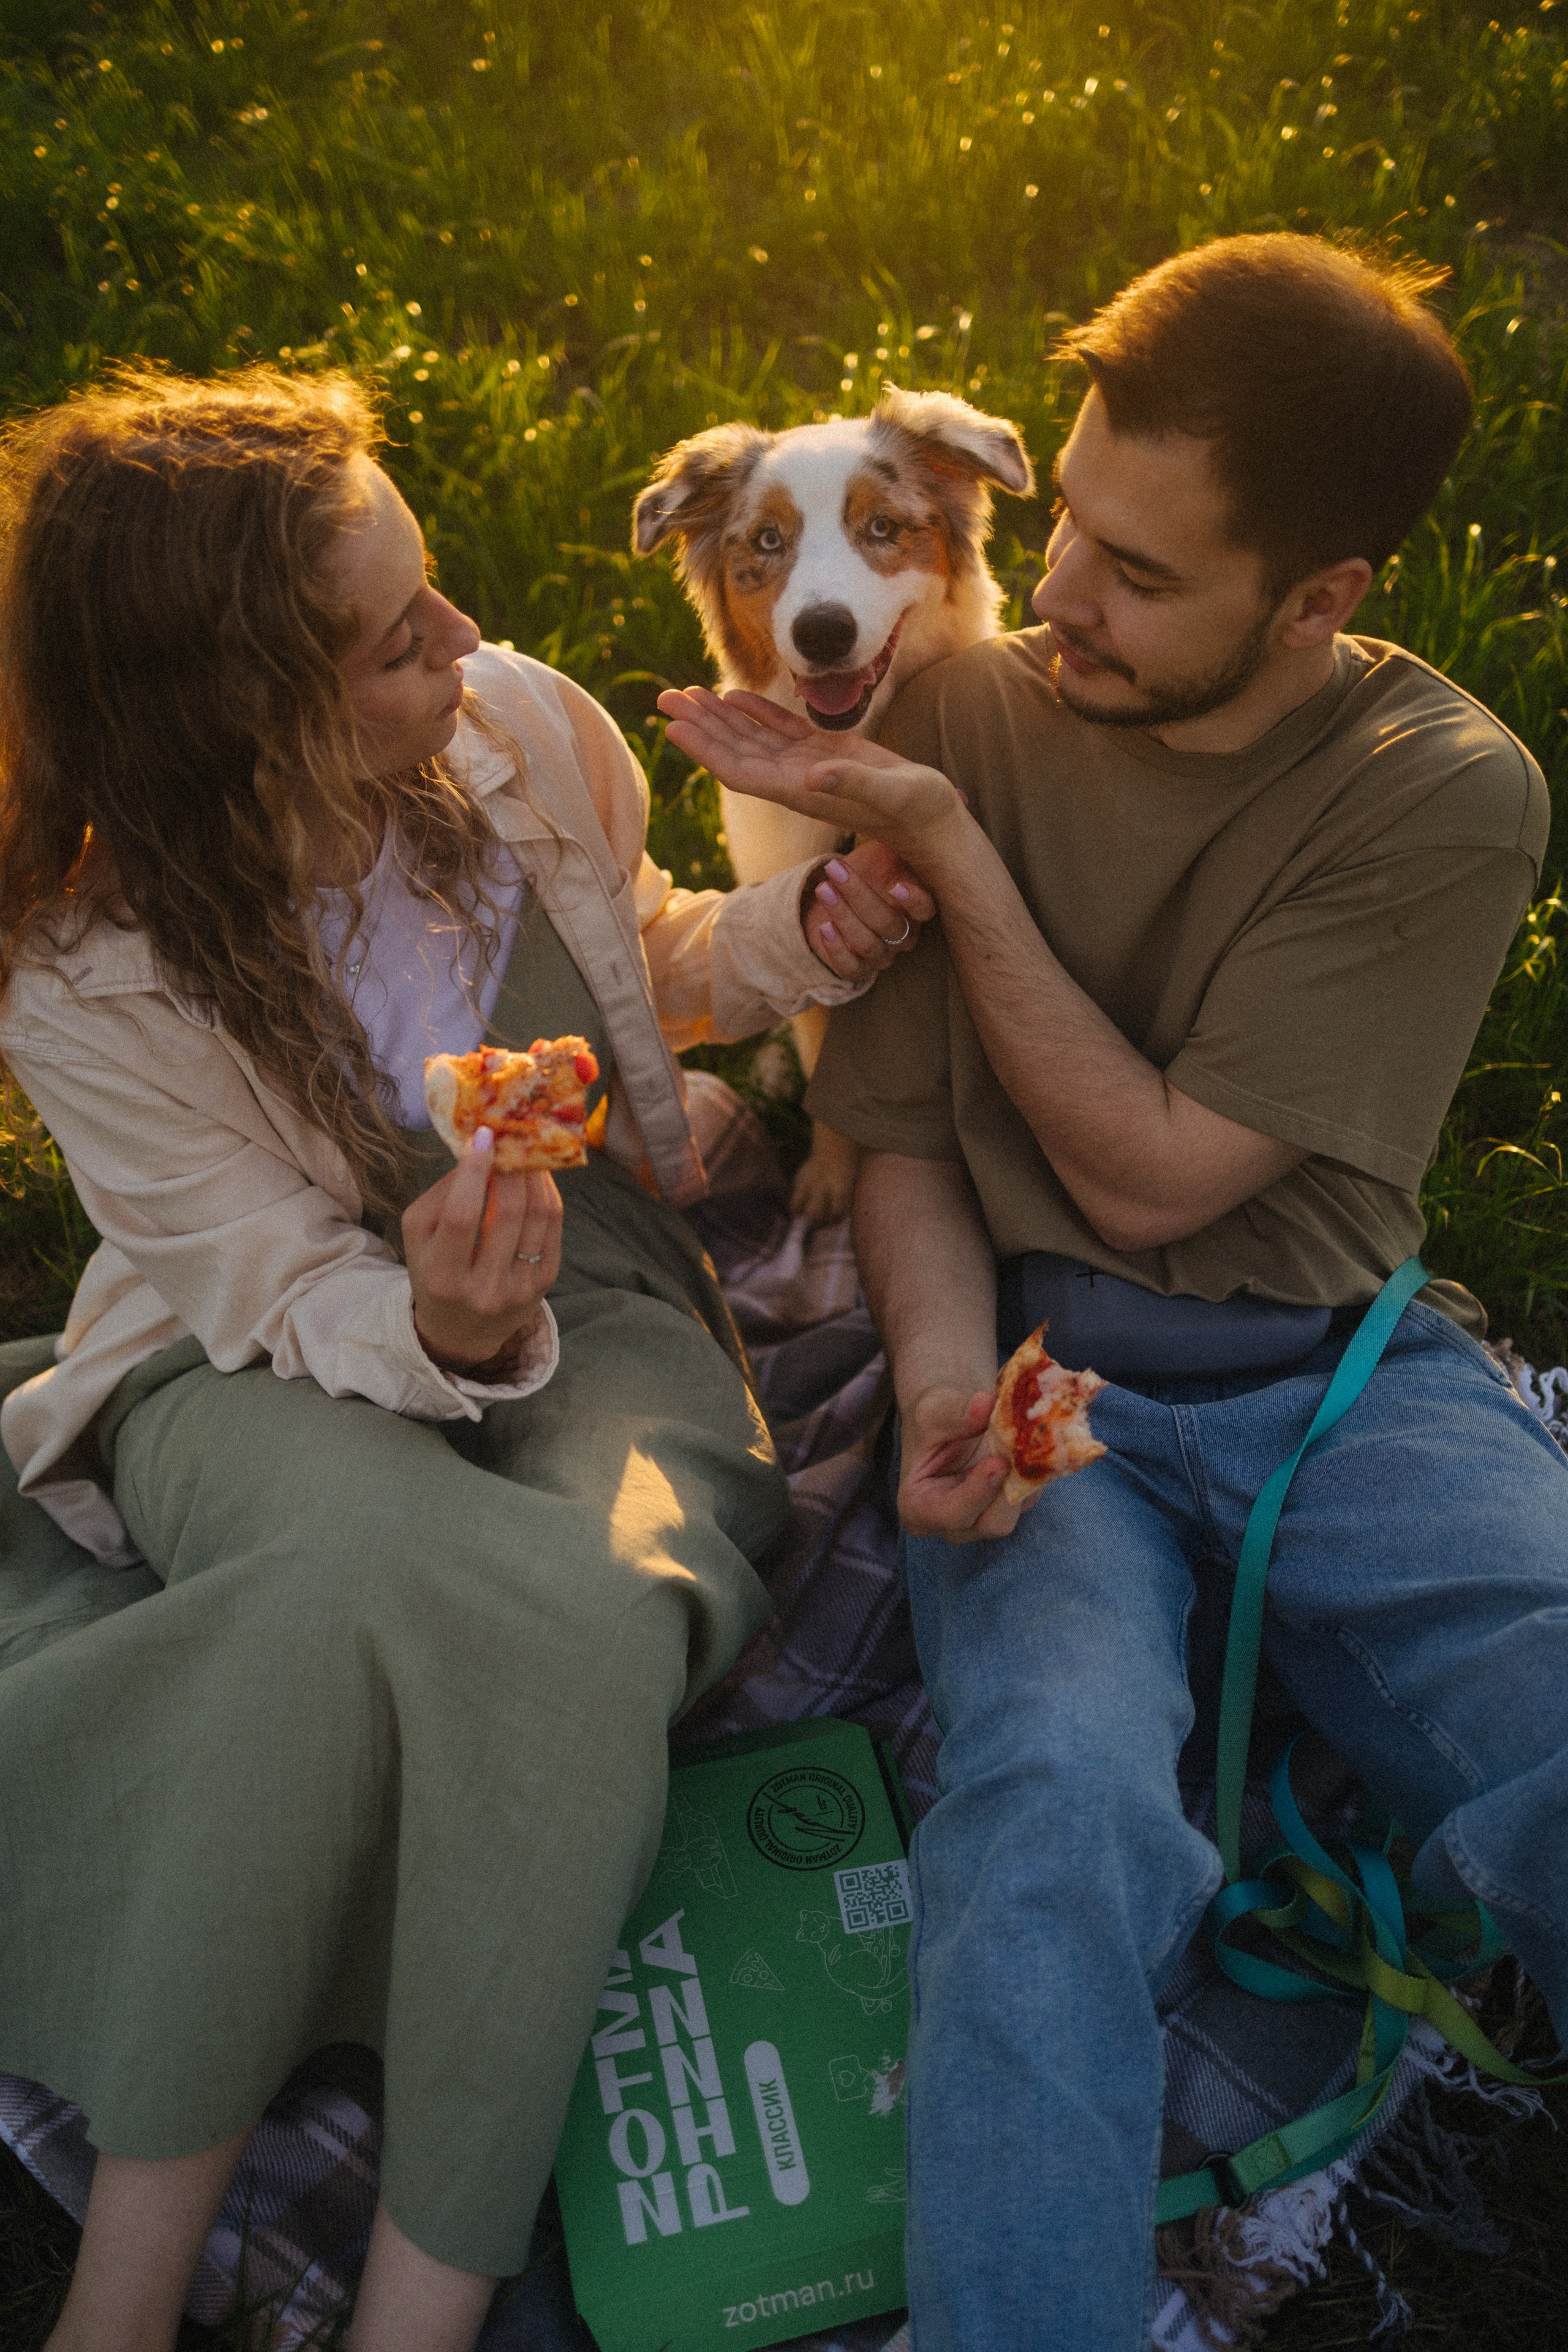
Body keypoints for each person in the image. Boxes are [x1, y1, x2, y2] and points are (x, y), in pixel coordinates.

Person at [660, 232, 1568, 2351]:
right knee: (1048, 1828)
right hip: (1045, 1389)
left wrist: (952, 860)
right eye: (1063, 524)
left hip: (1335, 1380)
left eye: (1141, 575)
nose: (1056, 595)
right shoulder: (957, 700)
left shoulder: (1442, 793)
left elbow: (1154, 1166)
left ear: (1321, 600)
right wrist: (949, 1394)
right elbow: (892, 1141)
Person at [0, 364, 934, 2352]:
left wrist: (809, 945)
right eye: (390, 636)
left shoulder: (511, 729)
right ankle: (123, 2302)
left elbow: (652, 959)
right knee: (342, 1577)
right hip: (237, 1347)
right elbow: (242, 1270)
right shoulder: (83, 972)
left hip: (594, 1274)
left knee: (602, 1602)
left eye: (430, 589)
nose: (460, 636)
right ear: (238, 718)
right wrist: (430, 1319)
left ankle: (422, 2303)